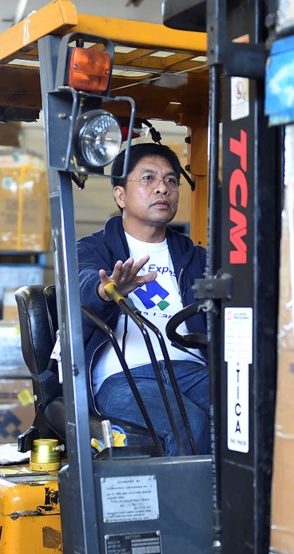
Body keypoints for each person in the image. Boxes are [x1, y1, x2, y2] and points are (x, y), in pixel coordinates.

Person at [77, 142, 209, 456]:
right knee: (189, 424)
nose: (162, 188)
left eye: (171, 181)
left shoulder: (197, 257)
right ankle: (187, 507)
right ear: (120, 194)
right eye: (148, 179)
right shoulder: (95, 250)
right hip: (124, 377)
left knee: (250, 407)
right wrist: (108, 291)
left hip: (191, 370)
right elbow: (82, 289)